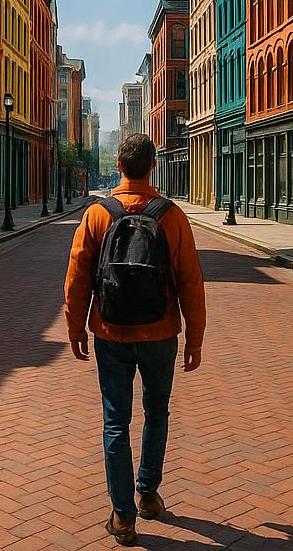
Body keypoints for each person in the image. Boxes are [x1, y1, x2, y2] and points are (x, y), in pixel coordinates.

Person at [64, 133, 206, 546]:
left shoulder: (98, 214)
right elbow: (191, 280)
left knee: (115, 421)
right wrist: (194, 338)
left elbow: (77, 276)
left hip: (110, 331)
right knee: (156, 413)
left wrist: (75, 329)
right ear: (153, 166)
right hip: (161, 332)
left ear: (120, 167)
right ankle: (147, 494)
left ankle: (123, 517)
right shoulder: (172, 215)